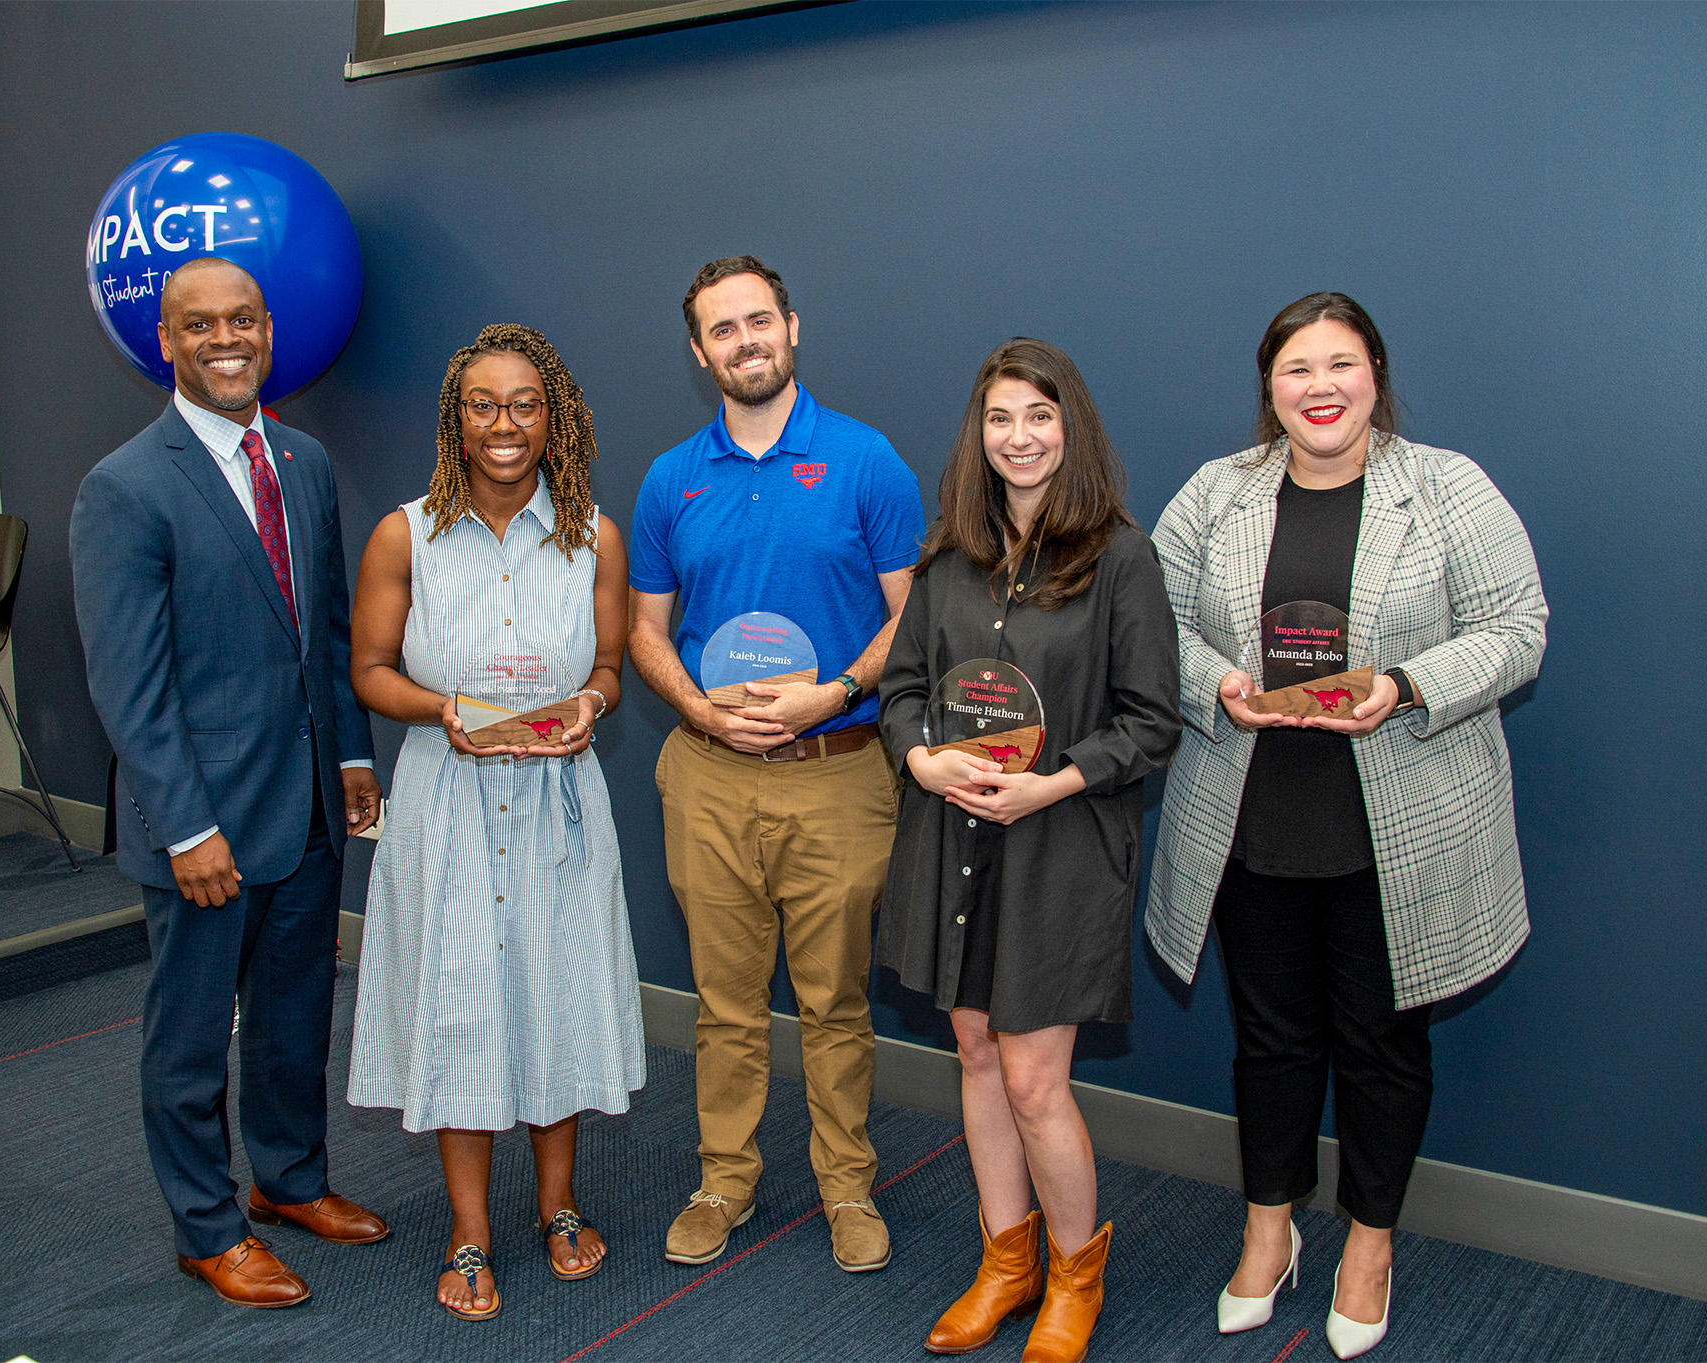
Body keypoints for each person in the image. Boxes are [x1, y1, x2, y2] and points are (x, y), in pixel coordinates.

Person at [1146, 293, 1547, 1359]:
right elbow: (1154, 622)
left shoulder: (1444, 487)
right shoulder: (1215, 495)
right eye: (1295, 369)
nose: (1318, 387)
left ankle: (1368, 1243)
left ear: (1374, 374)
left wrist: (1408, 683)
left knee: (1379, 1046)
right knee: (1270, 1043)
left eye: (1340, 364)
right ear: (1267, 389)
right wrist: (1217, 681)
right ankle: (1267, 1229)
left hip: (1398, 829)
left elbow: (1518, 629)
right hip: (1249, 820)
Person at [70, 256, 387, 1309]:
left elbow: (328, 630)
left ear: (266, 329)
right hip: (202, 829)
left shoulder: (299, 460)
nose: (224, 339)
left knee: (296, 1017)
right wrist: (183, 824)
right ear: (165, 340)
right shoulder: (123, 487)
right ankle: (205, 1228)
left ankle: (289, 1183)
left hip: (303, 811)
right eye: (198, 324)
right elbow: (131, 685)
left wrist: (349, 755)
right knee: (193, 1039)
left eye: (242, 319)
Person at [878, 339, 1180, 1363]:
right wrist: (919, 760)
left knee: (1036, 1079)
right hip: (950, 833)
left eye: (1038, 417)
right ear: (979, 432)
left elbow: (1151, 720)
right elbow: (903, 688)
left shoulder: (1120, 557)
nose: (1018, 437)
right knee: (972, 1050)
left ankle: (1070, 1275)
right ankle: (1003, 1264)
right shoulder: (947, 554)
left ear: (1071, 428)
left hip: (1057, 842)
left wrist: (1053, 778)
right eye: (1000, 418)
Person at [629, 255, 926, 1272]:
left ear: (791, 328)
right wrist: (692, 705)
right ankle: (725, 1178)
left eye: (759, 320)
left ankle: (847, 1185)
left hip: (839, 769)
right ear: (700, 349)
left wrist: (834, 692)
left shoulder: (865, 460)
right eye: (722, 328)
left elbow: (910, 619)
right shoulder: (671, 478)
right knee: (723, 999)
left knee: (835, 999)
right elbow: (644, 629)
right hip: (708, 775)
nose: (744, 340)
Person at [345, 325, 644, 1322]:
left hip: (558, 792)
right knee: (462, 999)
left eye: (523, 403)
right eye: (483, 403)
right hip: (448, 798)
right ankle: (469, 1232)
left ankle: (557, 1207)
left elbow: (607, 666)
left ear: (550, 418)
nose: (504, 423)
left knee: (554, 990)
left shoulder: (593, 534)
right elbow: (370, 670)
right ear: (455, 420)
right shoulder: (404, 535)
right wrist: (443, 710)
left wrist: (592, 705)